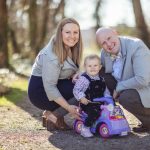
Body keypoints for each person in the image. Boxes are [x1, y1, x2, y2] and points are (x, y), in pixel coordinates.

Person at [28, 18, 83, 131]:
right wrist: (68, 108)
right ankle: (54, 116)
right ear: (60, 33)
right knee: (83, 89)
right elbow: (50, 87)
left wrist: (77, 73)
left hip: (54, 84)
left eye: (75, 32)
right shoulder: (52, 55)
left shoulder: (71, 48)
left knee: (84, 83)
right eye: (68, 32)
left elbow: (73, 67)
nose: (72, 36)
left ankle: (51, 114)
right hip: (41, 92)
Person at [96, 27, 150, 132]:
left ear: (116, 33)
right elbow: (97, 69)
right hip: (130, 86)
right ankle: (109, 115)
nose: (108, 44)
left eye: (109, 38)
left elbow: (142, 79)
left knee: (126, 98)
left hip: (146, 87)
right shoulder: (104, 53)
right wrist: (81, 75)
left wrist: (119, 87)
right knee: (101, 75)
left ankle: (148, 122)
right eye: (103, 43)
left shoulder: (136, 46)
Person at [73, 54, 111, 137]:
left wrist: (109, 100)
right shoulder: (84, 79)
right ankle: (85, 128)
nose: (92, 68)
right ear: (85, 67)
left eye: (95, 65)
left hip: (100, 103)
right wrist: (81, 97)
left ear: (100, 67)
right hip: (87, 104)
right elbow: (76, 90)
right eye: (89, 66)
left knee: (111, 111)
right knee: (94, 111)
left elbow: (106, 91)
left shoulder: (101, 79)